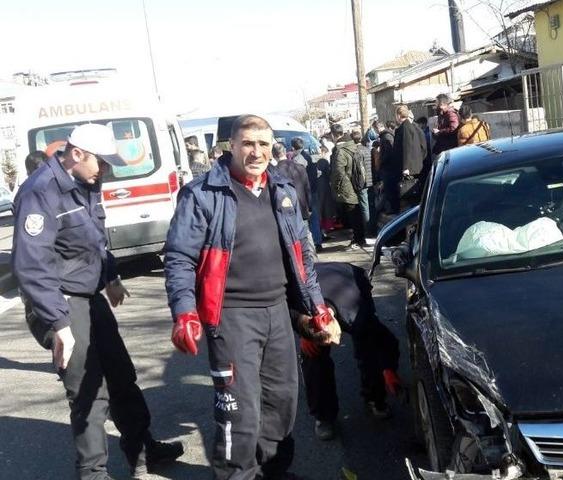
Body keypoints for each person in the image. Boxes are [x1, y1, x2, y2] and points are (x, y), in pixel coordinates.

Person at [164, 114, 340, 480]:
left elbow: (302, 256)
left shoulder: (282, 190)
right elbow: (180, 257)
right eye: (248, 143)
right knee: (239, 413)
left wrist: (317, 307)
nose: (256, 151)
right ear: (230, 145)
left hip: (278, 313)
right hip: (231, 318)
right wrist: (184, 311)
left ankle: (274, 472)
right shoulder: (202, 195)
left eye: (263, 144)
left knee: (281, 404)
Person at [12, 124, 183, 480]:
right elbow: (31, 265)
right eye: (101, 162)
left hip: (89, 296)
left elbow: (94, 237)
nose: (105, 170)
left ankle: (142, 448)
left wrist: (111, 276)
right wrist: (59, 325)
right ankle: (93, 474)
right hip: (61, 301)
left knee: (122, 376)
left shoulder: (87, 183)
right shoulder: (40, 192)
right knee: (89, 391)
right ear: (77, 154)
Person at [300, 262, 402, 440]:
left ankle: (375, 396)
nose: (336, 343)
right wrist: (305, 334)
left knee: (368, 347)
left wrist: (388, 369)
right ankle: (324, 415)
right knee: (312, 357)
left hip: (349, 278)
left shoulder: (358, 313)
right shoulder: (300, 300)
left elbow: (386, 341)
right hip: (312, 286)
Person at [274, 141, 315, 258]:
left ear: (274, 155)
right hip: (302, 206)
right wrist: (309, 206)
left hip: (287, 209)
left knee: (292, 238)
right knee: (306, 236)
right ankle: (311, 258)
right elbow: (307, 188)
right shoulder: (299, 167)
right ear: (285, 152)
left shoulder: (275, 171)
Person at [330, 130, 366, 248]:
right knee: (356, 212)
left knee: (353, 213)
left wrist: (336, 186)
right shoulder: (353, 146)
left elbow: (338, 172)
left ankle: (358, 239)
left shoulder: (340, 151)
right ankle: (359, 237)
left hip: (347, 185)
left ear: (334, 135)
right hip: (357, 182)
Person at [393, 104, 428, 209]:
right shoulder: (409, 126)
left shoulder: (406, 127)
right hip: (413, 167)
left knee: (409, 198)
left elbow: (407, 147)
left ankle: (411, 223)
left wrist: (406, 167)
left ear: (399, 115)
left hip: (409, 170)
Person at [350, 130, 374, 236]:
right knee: (371, 205)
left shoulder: (356, 152)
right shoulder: (367, 149)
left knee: (365, 207)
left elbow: (356, 170)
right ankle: (371, 227)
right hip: (371, 180)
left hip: (362, 182)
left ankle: (367, 230)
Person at [378, 121, 398, 214]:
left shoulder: (386, 137)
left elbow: (388, 152)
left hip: (388, 167)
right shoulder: (386, 136)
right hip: (388, 167)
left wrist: (381, 161)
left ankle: (393, 208)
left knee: (389, 189)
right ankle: (391, 207)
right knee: (388, 189)